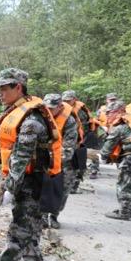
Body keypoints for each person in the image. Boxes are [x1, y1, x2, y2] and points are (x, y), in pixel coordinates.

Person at [0, 68, 61, 261]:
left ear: (18, 88)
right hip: (21, 180)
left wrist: (10, 189)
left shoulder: (32, 120)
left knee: (19, 231)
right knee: (29, 227)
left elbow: (22, 157)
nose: (0, 94)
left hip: (34, 183)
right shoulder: (12, 112)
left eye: (4, 88)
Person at [42, 94, 80, 229]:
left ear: (60, 106)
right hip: (48, 157)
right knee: (43, 187)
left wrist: (53, 164)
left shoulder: (69, 121)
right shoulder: (42, 116)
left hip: (66, 160)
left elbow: (68, 148)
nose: (49, 111)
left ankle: (54, 216)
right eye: (47, 108)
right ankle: (42, 216)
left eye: (52, 108)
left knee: (62, 189)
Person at [100, 100, 131, 220]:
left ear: (118, 112)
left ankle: (124, 212)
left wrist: (103, 157)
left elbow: (108, 145)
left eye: (109, 112)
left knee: (123, 185)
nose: (107, 115)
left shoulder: (122, 126)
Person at [62, 90, 100, 183]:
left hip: (80, 138)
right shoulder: (62, 107)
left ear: (74, 99)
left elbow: (82, 128)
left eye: (68, 100)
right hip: (68, 137)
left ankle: (76, 182)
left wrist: (78, 140)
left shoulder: (80, 112)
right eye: (64, 100)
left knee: (77, 160)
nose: (66, 102)